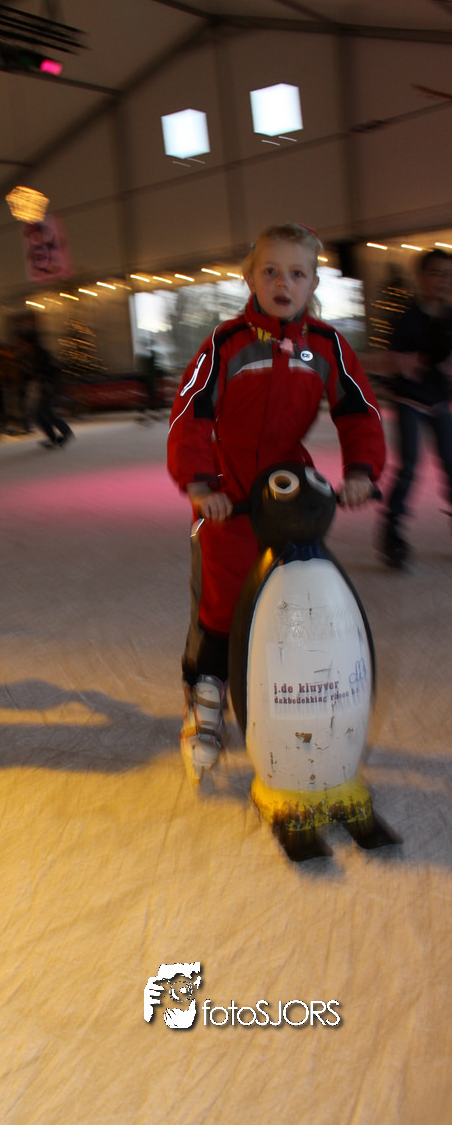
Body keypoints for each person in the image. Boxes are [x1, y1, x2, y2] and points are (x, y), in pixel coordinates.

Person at [167, 223, 385, 781]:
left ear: (313, 282)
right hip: (228, 493)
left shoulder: (327, 345)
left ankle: (288, 690)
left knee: (293, 593)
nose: (283, 283)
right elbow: (191, 412)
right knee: (219, 602)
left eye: (296, 273)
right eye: (270, 271)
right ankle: (206, 695)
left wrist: (360, 471)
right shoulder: (226, 344)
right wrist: (200, 484)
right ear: (250, 278)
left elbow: (358, 410)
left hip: (288, 489)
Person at [379, 248, 452, 568]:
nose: (442, 281)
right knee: (408, 466)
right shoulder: (407, 318)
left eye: (447, 275)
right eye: (436, 274)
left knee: (451, 464)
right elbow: (393, 360)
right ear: (421, 278)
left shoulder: (449, 316)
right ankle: (392, 532)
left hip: (438, 402)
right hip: (409, 399)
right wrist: (420, 359)